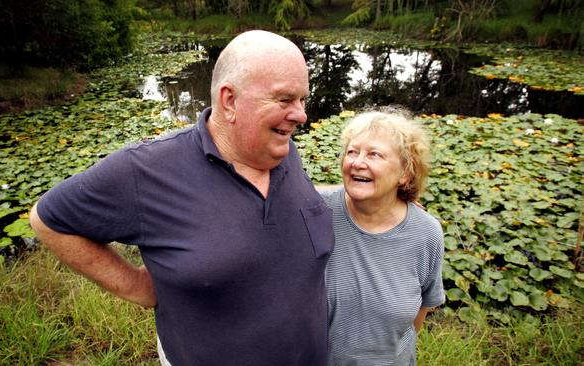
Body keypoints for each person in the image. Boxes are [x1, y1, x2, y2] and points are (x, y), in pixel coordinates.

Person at [29, 30, 334, 366]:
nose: (301, 115)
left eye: (303, 99)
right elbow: (49, 219)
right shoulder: (146, 169)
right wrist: (134, 285)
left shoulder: (282, 149)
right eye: (284, 99)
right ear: (229, 100)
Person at [322, 110, 445, 365]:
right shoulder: (319, 211)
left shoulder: (426, 233)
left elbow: (421, 311)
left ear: (405, 173)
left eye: (374, 154)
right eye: (352, 152)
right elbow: (284, 192)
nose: (357, 162)